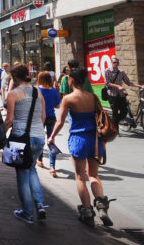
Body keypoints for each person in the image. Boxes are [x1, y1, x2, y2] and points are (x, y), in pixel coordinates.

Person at [48, 68, 113, 227]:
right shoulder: (92, 97)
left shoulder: (68, 99)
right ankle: (102, 206)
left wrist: (52, 136)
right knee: (94, 175)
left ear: (71, 80)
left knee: (80, 177)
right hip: (95, 139)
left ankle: (87, 212)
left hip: (78, 139)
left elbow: (61, 121)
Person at [4, 64, 47, 224]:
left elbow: (9, 120)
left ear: (14, 78)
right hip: (39, 137)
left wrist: (1, 133)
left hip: (21, 138)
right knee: (32, 169)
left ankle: (27, 212)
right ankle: (40, 205)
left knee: (22, 174)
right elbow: (42, 117)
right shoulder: (38, 93)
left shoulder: (14, 94)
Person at [104, 56, 144, 128]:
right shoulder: (107, 71)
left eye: (117, 62)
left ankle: (114, 122)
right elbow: (107, 83)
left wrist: (140, 86)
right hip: (112, 95)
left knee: (124, 112)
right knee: (115, 112)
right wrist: (118, 86)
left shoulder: (121, 72)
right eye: (114, 62)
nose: (116, 64)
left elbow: (129, 83)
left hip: (120, 95)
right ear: (111, 63)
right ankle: (115, 129)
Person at [36, 71, 61, 177]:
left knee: (40, 139)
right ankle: (52, 167)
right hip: (51, 117)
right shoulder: (54, 91)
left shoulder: (37, 91)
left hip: (39, 117)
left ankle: (40, 159)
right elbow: (58, 106)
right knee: (51, 141)